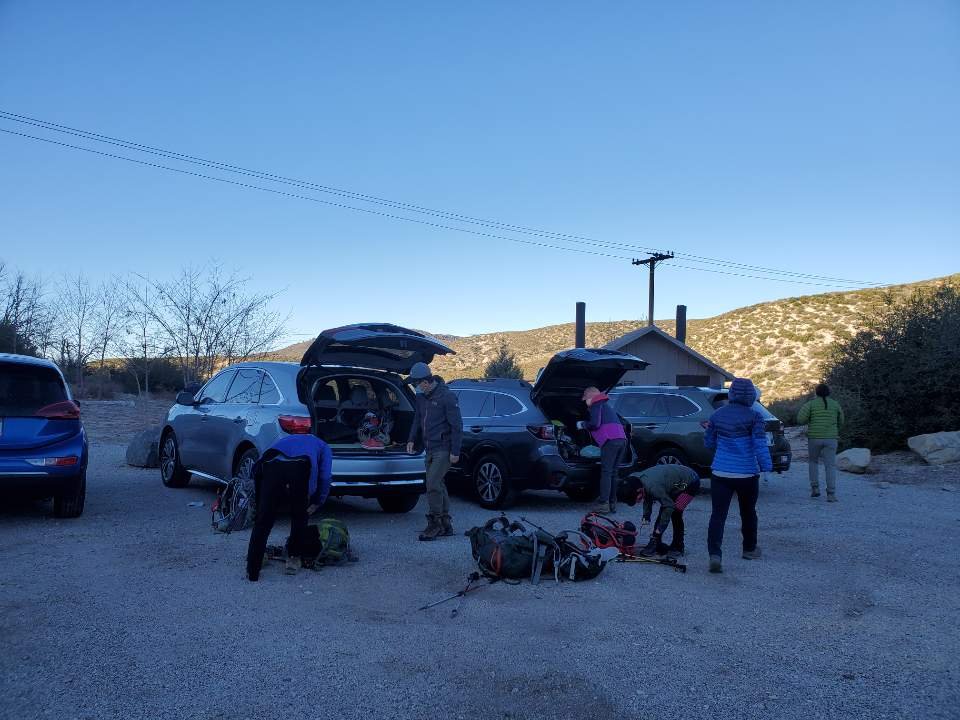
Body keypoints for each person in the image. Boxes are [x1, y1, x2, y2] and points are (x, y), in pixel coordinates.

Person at [703, 377, 772, 574]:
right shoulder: (755, 416)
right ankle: (749, 550)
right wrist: (766, 466)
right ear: (751, 395)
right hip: (747, 474)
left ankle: (715, 555)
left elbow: (709, 443)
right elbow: (760, 445)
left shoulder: (717, 415)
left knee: (718, 515)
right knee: (748, 513)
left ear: (731, 393)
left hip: (720, 472)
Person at [245, 433, 333, 581]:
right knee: (300, 515)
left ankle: (252, 569)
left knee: (263, 520)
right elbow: (325, 477)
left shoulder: (286, 438)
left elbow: (261, 462)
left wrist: (260, 501)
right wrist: (318, 501)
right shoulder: (323, 446)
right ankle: (293, 558)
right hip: (299, 467)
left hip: (269, 465)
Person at [405, 362, 463, 541]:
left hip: (444, 448)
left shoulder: (447, 397)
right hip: (429, 448)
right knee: (438, 484)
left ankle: (434, 523)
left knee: (431, 484)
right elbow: (418, 418)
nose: (415, 387)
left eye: (416, 384)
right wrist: (411, 439)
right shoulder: (421, 397)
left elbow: (457, 426)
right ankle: (445, 524)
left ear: (425, 382)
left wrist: (455, 451)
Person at [618, 464, 701, 559]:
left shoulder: (654, 487)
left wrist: (660, 529)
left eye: (637, 499)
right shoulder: (634, 480)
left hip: (690, 482)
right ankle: (656, 542)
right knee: (665, 508)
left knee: (675, 512)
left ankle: (678, 546)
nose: (637, 502)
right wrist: (646, 516)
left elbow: (668, 506)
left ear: (639, 490)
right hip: (674, 480)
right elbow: (647, 495)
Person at [578, 386, 628, 514]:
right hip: (622, 440)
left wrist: (582, 424)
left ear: (590, 397)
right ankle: (612, 503)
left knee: (606, 472)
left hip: (610, 441)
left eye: (585, 400)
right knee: (614, 473)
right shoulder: (606, 406)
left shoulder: (596, 404)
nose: (585, 403)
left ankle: (603, 504)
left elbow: (595, 424)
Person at [797, 383, 845, 502]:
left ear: (816, 392)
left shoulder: (810, 404)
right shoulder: (835, 404)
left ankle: (815, 488)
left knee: (813, 462)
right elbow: (842, 420)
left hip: (814, 438)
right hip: (831, 439)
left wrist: (810, 420)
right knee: (830, 466)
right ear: (829, 393)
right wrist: (835, 429)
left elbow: (800, 419)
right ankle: (831, 494)